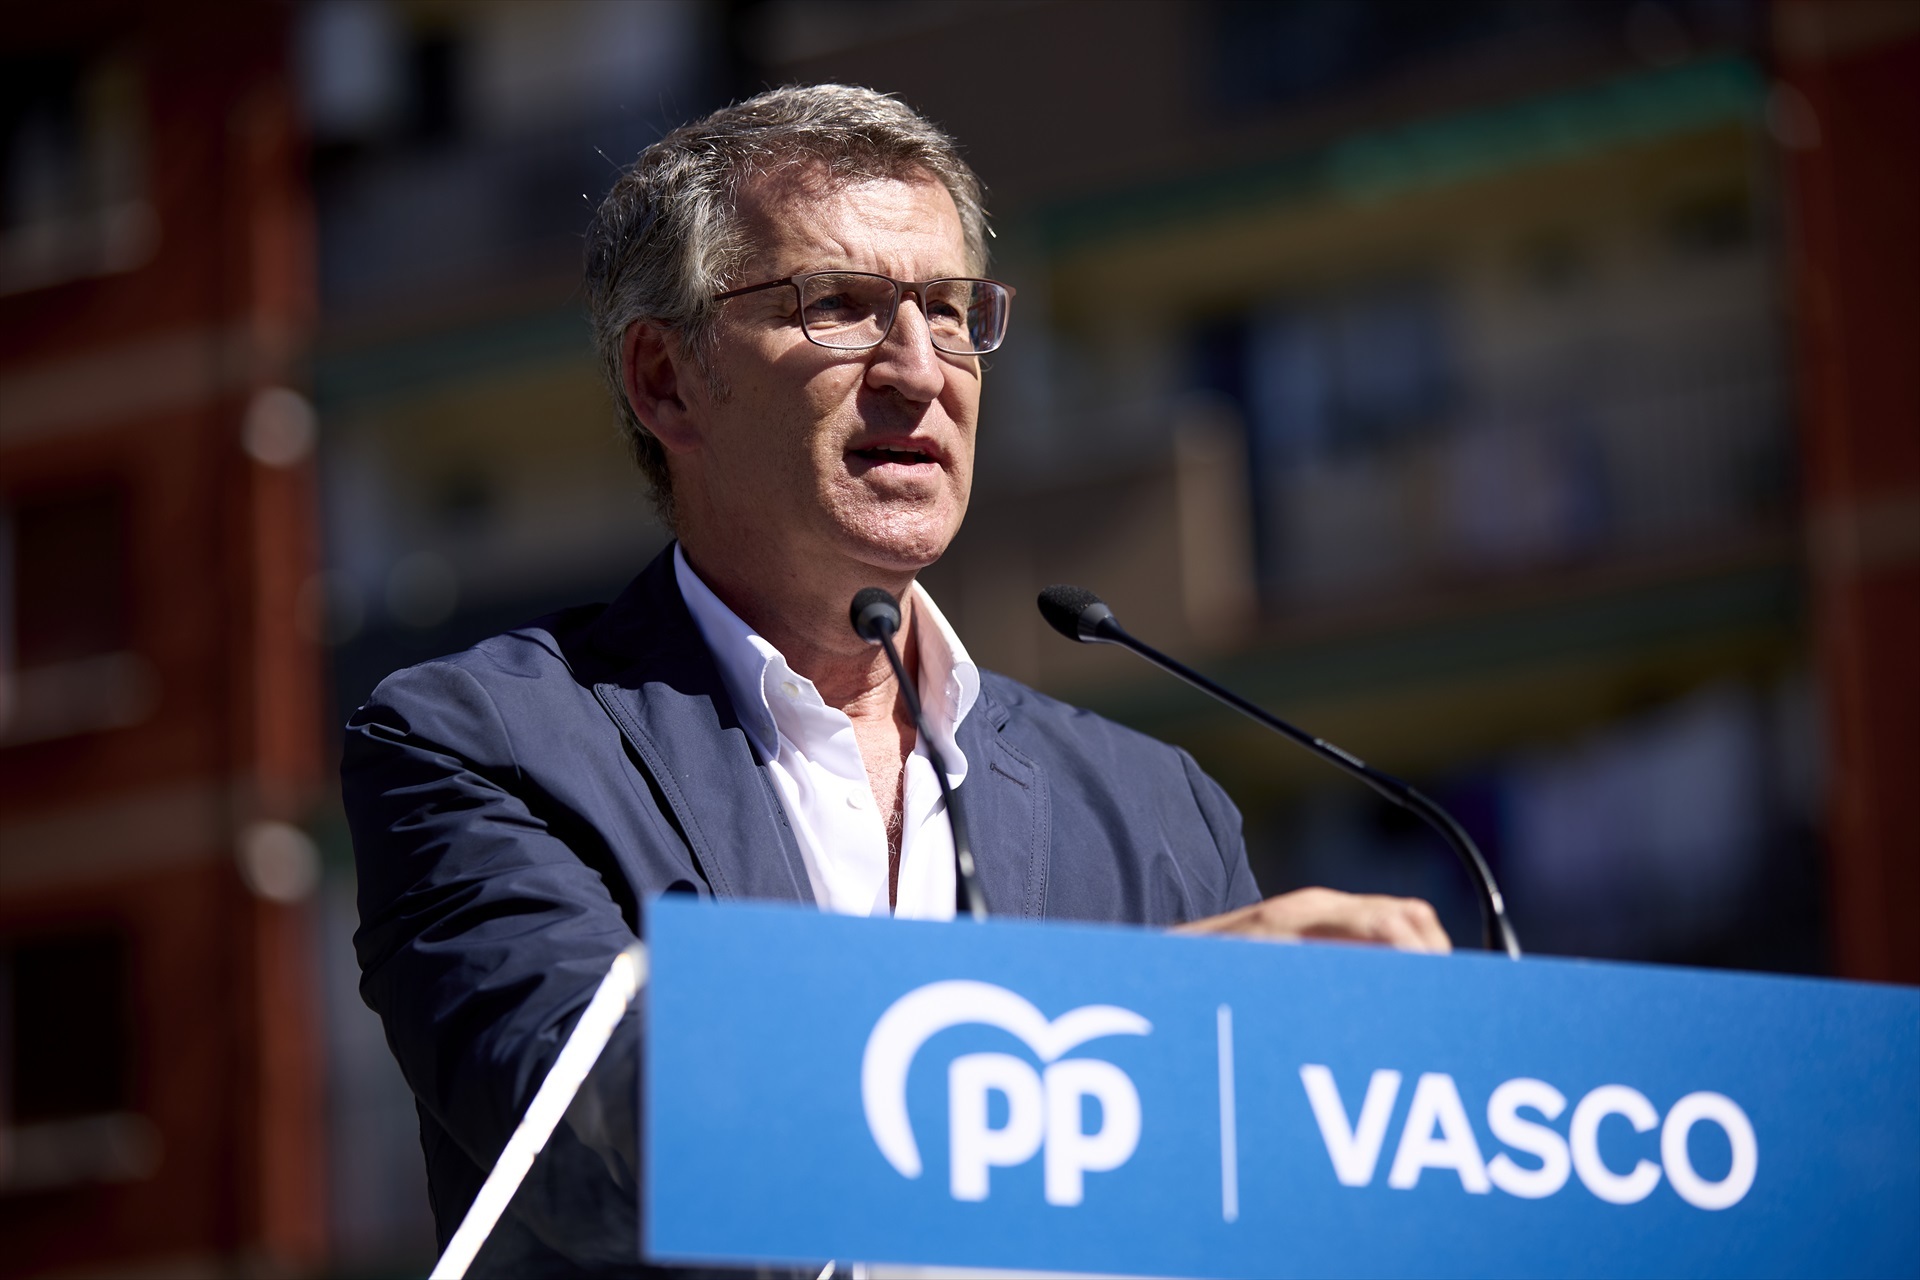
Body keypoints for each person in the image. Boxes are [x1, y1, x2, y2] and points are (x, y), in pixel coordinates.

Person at [343, 84, 1449, 1276]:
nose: (922, 370)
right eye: (840, 307)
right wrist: (1143, 1023)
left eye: (952, 311)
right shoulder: (486, 743)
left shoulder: (1155, 807)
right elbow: (603, 1127)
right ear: (665, 379)